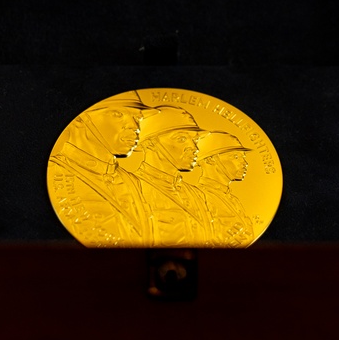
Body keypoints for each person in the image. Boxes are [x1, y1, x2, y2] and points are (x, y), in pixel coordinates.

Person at [49, 91, 153, 245]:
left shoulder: (131, 180)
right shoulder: (56, 171)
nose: (134, 126)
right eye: (118, 114)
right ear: (82, 119)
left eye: (137, 117)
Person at [133, 106, 213, 246]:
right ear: (150, 143)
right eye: (181, 139)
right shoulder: (134, 188)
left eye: (195, 140)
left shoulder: (196, 194)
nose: (194, 148)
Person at [194, 131, 255, 247]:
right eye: (235, 157)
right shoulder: (199, 198)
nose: (245, 163)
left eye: (243, 157)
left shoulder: (233, 199)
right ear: (210, 159)